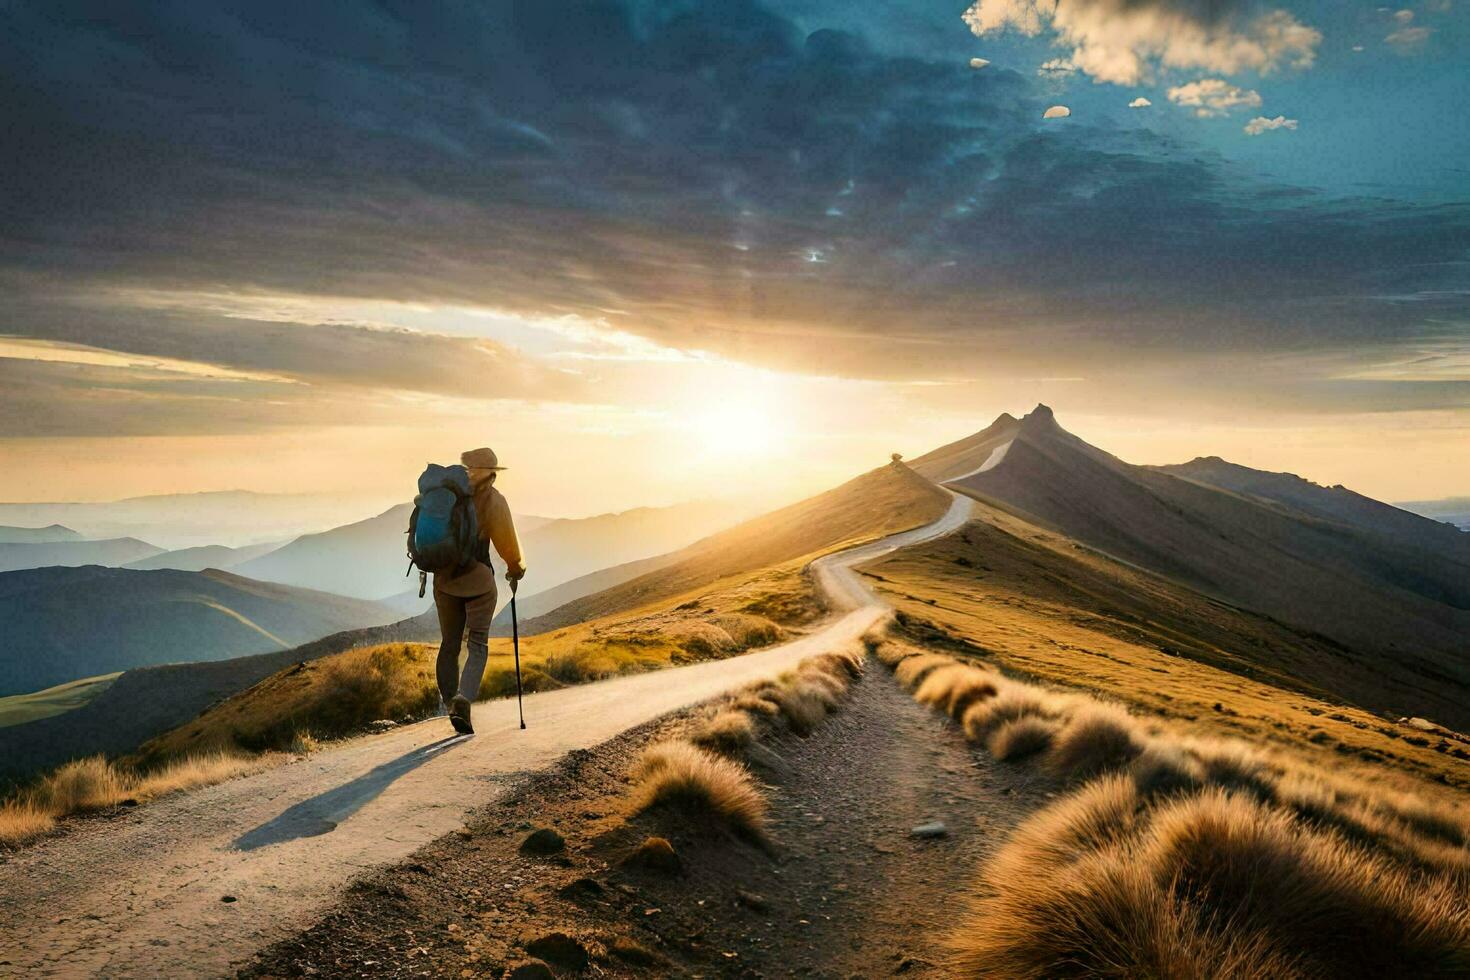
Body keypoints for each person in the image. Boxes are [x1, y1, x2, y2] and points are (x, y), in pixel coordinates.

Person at [433, 447, 526, 734]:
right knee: (477, 644)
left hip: (444, 580)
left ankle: (450, 703)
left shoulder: (447, 495)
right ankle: (462, 701)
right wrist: (515, 568)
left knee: (449, 645)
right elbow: (507, 542)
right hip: (477, 581)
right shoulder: (494, 500)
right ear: (491, 473)